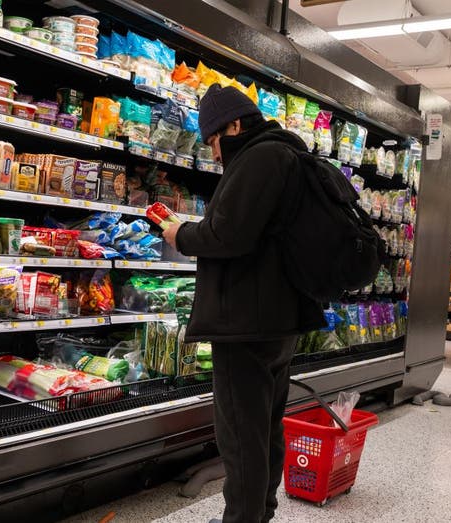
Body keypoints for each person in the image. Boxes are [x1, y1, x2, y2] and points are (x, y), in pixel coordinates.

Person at [162, 84, 324, 523]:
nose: (214, 153)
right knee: (264, 428)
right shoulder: (285, 155)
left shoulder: (257, 158)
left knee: (240, 437)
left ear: (234, 125)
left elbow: (226, 235)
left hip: (245, 323)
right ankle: (258, 513)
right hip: (278, 318)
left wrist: (182, 234)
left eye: (214, 140)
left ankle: (243, 519)